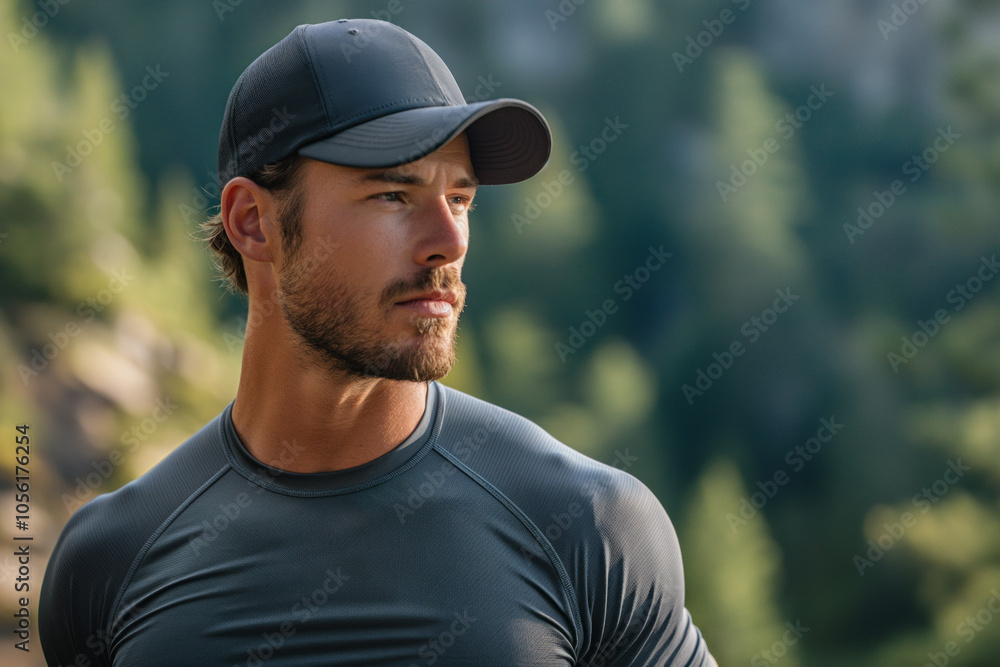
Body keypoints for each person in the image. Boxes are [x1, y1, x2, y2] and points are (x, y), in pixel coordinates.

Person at [40, 19, 716, 666]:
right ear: (253, 222)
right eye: (394, 194)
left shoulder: (589, 529)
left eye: (461, 198)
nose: (449, 242)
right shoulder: (108, 561)